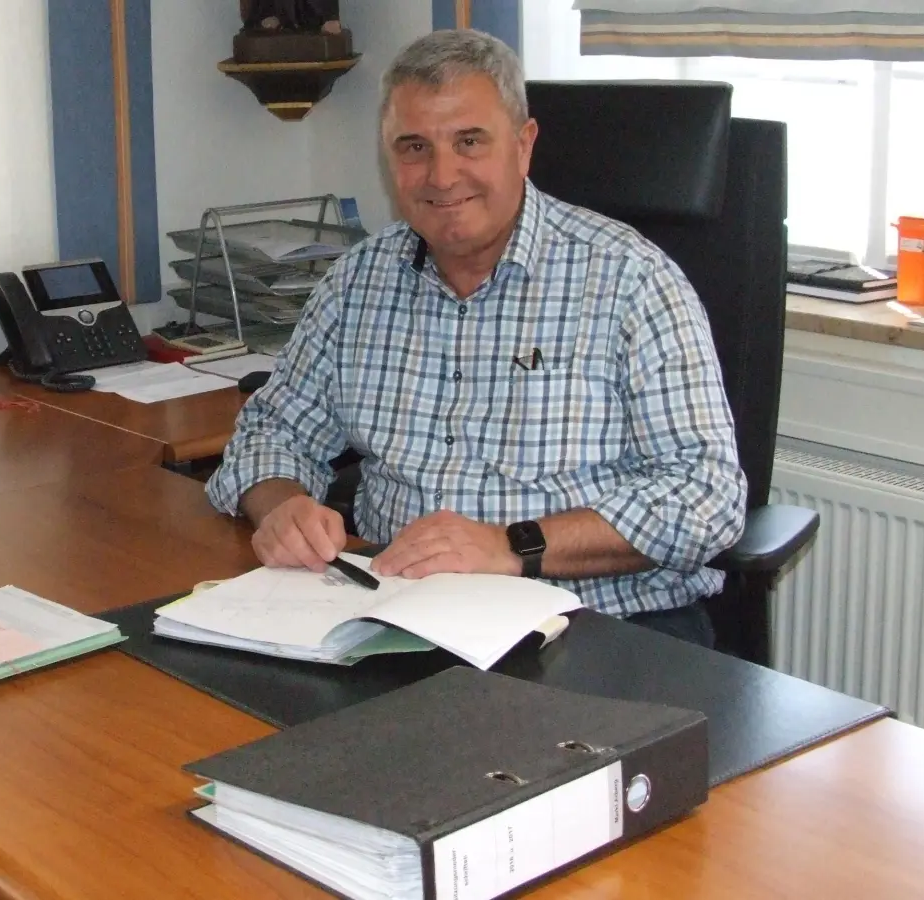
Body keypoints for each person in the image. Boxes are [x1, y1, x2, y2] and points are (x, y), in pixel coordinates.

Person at [203, 29, 747, 646]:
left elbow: (707, 499)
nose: (441, 175)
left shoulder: (630, 281)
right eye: (414, 146)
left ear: (523, 146)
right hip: (399, 622)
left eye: (469, 141)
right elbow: (272, 431)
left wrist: (511, 545)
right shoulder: (358, 280)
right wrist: (279, 505)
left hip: (597, 628)